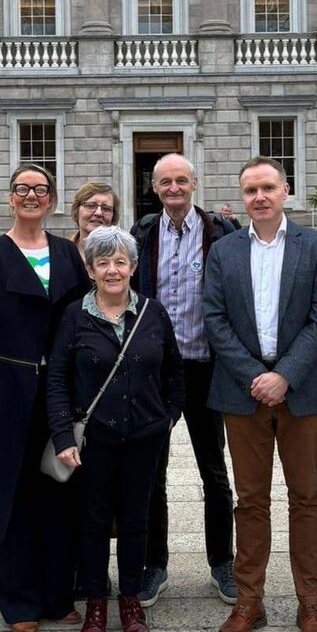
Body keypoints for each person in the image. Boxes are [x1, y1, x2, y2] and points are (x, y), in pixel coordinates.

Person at [203, 156, 317, 632]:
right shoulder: (223, 251)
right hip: (242, 395)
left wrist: (284, 375)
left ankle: (311, 604)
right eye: (249, 190)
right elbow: (214, 319)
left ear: (286, 190)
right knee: (250, 500)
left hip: (302, 391)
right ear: (241, 198)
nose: (258, 197)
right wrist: (256, 376)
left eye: (267, 187)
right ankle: (249, 602)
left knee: (306, 497)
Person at [0, 163, 90, 632]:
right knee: (13, 498)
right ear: (10, 198)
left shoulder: (67, 254)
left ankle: (58, 595)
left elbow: (83, 322)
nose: (31, 196)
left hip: (59, 395)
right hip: (7, 394)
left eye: (40, 189)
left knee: (58, 492)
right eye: (22, 189)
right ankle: (18, 600)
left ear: (52, 199)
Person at [48, 226, 184, 632]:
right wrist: (61, 436)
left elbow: (175, 372)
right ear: (90, 269)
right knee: (91, 523)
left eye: (120, 262)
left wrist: (166, 418)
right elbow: (57, 379)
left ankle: (129, 601)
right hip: (94, 442)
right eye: (103, 262)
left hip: (144, 438)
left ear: (133, 267)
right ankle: (96, 603)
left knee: (134, 522)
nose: (112, 270)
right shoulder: (75, 316)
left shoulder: (152, 312)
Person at [130, 152, 236, 607]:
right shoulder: (144, 233)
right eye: (164, 182)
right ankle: (156, 565)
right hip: (156, 373)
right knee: (153, 472)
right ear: (155, 188)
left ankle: (222, 562)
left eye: (181, 180)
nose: (173, 188)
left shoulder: (220, 232)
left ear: (194, 183)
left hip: (206, 368)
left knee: (214, 470)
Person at [69, 181, 119, 259]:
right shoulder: (60, 253)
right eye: (90, 206)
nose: (98, 213)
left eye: (106, 209)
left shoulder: (123, 255)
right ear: (76, 210)